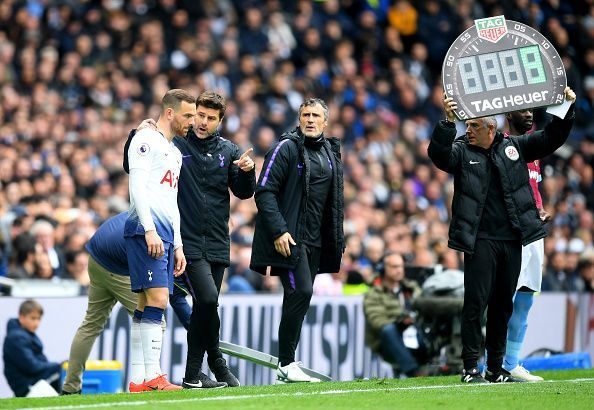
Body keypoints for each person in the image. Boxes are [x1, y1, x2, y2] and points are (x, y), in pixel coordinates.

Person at [427, 87, 576, 384]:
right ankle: (471, 367)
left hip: (512, 240)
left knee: (502, 306)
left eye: (473, 126)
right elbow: (438, 155)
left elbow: (552, 138)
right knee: (476, 303)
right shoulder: (461, 150)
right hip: (480, 240)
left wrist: (565, 107)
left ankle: (496, 369)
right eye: (466, 125)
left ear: (491, 128)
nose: (467, 130)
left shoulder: (515, 148)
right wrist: (446, 122)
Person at [125, 91, 256, 389]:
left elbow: (244, 192)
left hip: (219, 241)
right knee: (206, 300)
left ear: (220, 121)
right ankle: (214, 363)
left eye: (211, 118)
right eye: (199, 115)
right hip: (187, 239)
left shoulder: (229, 150)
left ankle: (193, 376)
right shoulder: (175, 143)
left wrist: (248, 173)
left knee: (208, 306)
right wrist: (139, 132)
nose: (203, 122)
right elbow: (132, 165)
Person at [250, 98, 345, 383]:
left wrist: (337, 238)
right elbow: (264, 191)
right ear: (299, 118)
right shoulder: (286, 148)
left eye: (316, 115)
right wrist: (279, 231)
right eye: (305, 114)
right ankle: (287, 363)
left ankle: (286, 363)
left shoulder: (331, 151)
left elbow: (334, 200)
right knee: (300, 292)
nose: (310, 120)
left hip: (317, 241)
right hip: (290, 239)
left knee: (300, 297)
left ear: (325, 122)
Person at [61, 212, 193, 395]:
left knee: (90, 325)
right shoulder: (165, 228)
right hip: (116, 265)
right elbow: (170, 292)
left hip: (96, 256)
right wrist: (194, 327)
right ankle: (148, 380)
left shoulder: (152, 209)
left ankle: (70, 388)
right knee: (154, 318)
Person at [125, 89, 194, 392]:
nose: (192, 121)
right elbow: (136, 186)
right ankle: (154, 377)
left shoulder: (176, 152)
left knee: (145, 303)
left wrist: (178, 244)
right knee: (159, 300)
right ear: (170, 113)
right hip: (145, 230)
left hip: (165, 233)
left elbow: (171, 200)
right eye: (188, 115)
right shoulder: (145, 140)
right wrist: (150, 228)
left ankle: (140, 379)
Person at [502, 109, 548, 382]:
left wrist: (540, 209)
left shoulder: (534, 149)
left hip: (534, 230)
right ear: (509, 113)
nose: (529, 115)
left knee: (526, 298)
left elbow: (534, 189)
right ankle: (493, 362)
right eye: (523, 110)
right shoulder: (501, 146)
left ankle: (512, 363)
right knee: (503, 300)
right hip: (512, 232)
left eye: (531, 110)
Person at [363, 252, 425, 377]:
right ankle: (413, 372)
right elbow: (376, 320)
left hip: (414, 333)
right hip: (387, 342)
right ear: (383, 268)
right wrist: (400, 323)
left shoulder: (412, 289)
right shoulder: (374, 293)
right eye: (395, 267)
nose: (399, 270)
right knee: (389, 330)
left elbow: (424, 307)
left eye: (401, 266)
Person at [3, 299, 61, 397]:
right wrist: (56, 366)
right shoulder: (16, 338)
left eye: (39, 319)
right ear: (21, 317)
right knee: (60, 370)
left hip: (33, 383)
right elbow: (32, 366)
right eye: (33, 318)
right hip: (28, 386)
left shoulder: (26, 334)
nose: (36, 323)